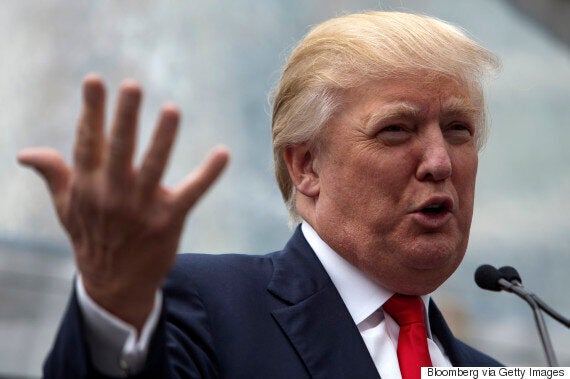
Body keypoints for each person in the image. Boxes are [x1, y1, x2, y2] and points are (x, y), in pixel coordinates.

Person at [19, 11, 502, 379]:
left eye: (458, 129)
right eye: (396, 130)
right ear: (307, 165)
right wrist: (112, 302)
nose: (440, 162)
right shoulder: (196, 305)